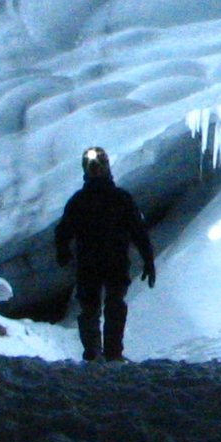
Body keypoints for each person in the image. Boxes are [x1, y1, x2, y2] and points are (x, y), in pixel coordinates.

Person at [55, 146, 156, 363]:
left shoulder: (87, 200)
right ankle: (103, 353)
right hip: (104, 262)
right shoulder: (115, 198)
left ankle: (105, 353)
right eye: (93, 165)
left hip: (103, 262)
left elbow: (138, 230)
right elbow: (63, 231)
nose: (96, 169)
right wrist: (148, 259)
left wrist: (149, 259)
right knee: (103, 307)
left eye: (98, 165)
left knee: (106, 307)